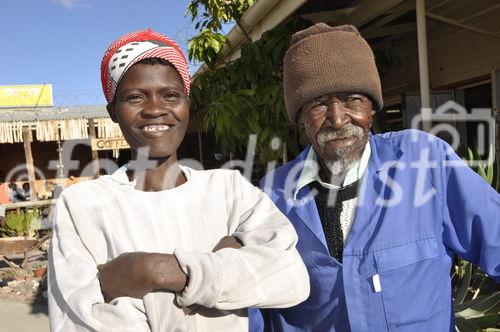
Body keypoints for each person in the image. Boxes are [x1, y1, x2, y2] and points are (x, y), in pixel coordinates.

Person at [48, 29, 309, 331]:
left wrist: (153, 271)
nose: (156, 109)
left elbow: (290, 278)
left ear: (187, 104)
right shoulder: (83, 206)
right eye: (135, 97)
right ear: (113, 112)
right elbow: (78, 321)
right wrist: (224, 268)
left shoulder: (228, 190)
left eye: (171, 95)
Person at [250, 23, 500, 331]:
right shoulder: (273, 197)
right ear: (300, 119)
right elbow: (254, 311)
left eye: (353, 99)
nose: (338, 119)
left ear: (372, 107)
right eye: (317, 105)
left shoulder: (424, 162)